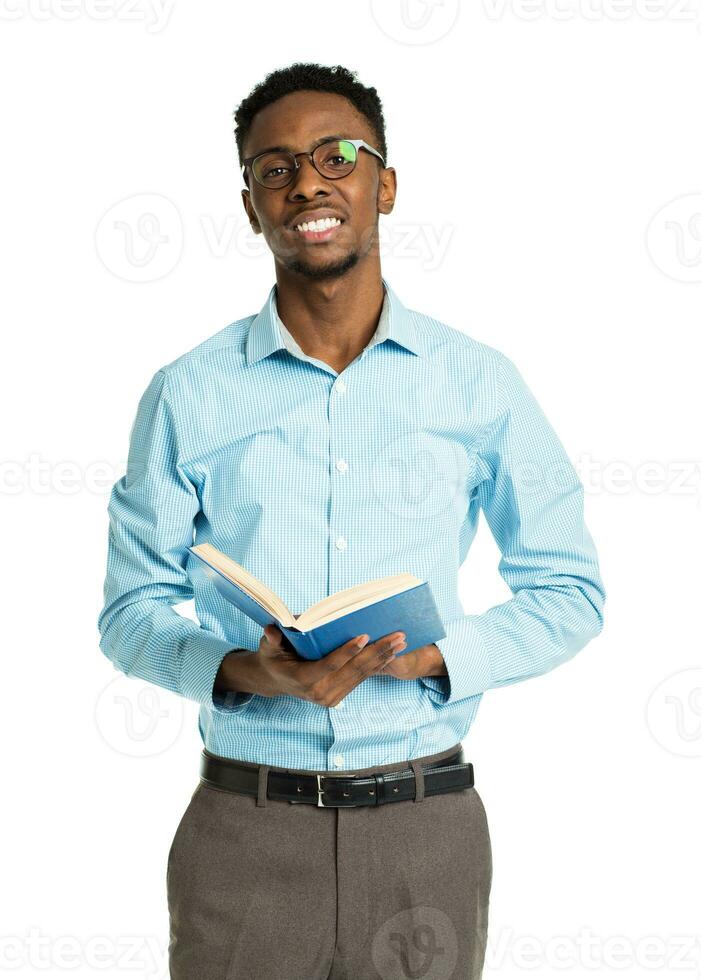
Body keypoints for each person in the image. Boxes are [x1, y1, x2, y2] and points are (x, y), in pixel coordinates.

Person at [97, 62, 606, 980]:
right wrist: (239, 670)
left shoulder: (478, 381)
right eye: (275, 168)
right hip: (244, 836)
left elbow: (569, 590)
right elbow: (129, 614)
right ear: (251, 206)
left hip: (427, 833)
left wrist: (437, 657)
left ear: (386, 184)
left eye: (337, 156)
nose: (308, 184)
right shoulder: (186, 394)